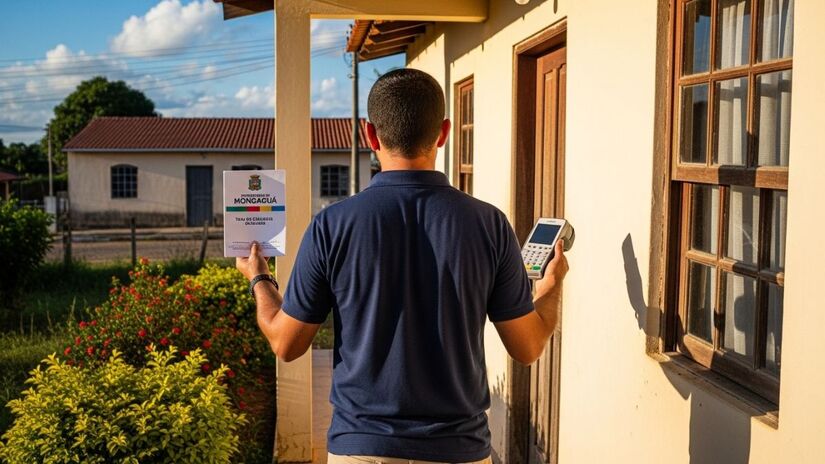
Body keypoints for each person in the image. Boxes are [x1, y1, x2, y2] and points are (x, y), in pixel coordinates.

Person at [236, 68, 569, 464]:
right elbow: (528, 347)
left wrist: (259, 277)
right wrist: (551, 287)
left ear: (370, 135)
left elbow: (285, 343)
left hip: (361, 449)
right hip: (458, 450)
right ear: (444, 134)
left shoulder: (332, 225)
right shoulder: (490, 224)